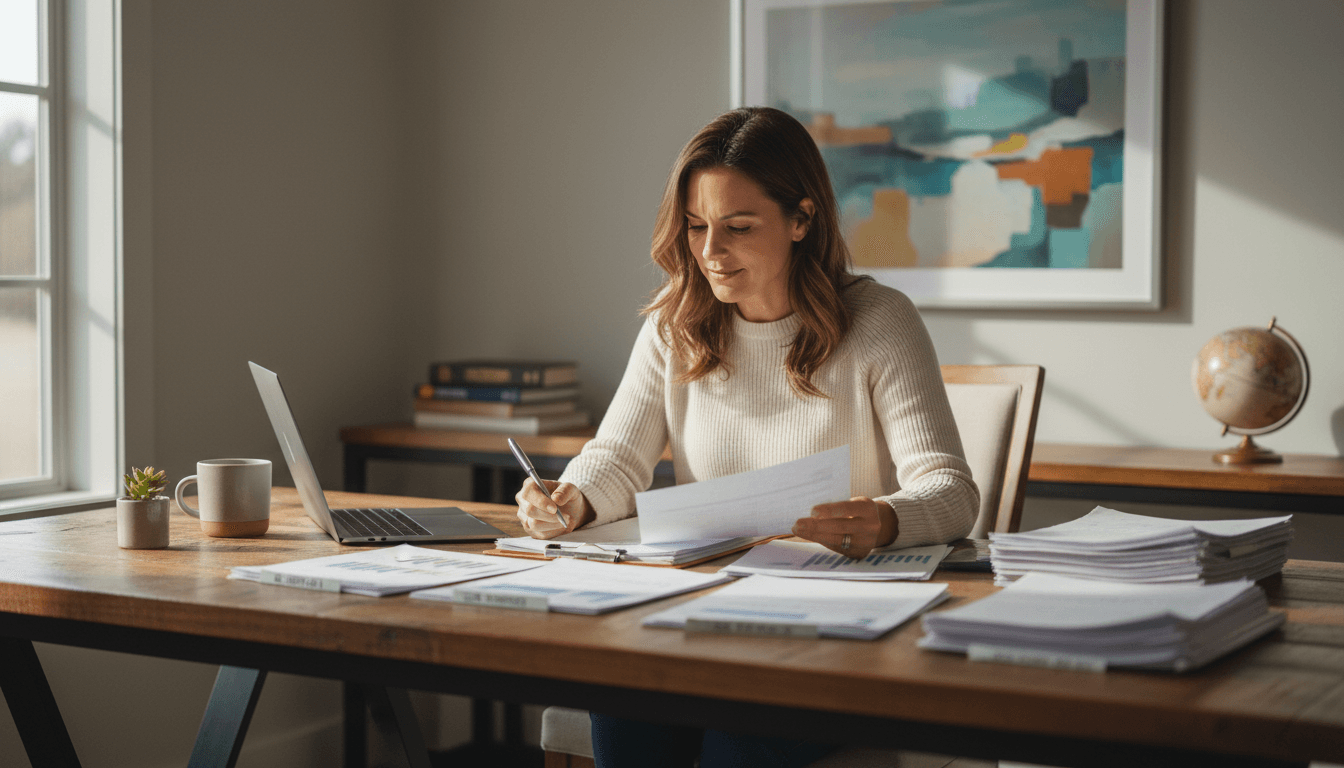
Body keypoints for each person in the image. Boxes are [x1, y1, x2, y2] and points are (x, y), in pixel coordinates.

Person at [514, 106, 979, 768]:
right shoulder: (673, 327)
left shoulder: (879, 323)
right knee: (624, 702)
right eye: (697, 227)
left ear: (801, 219)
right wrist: (571, 499)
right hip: (696, 618)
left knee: (739, 736)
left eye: (736, 228)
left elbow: (952, 491)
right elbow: (617, 458)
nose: (708, 252)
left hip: (830, 631)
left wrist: (881, 518)